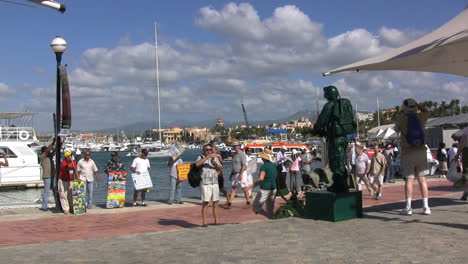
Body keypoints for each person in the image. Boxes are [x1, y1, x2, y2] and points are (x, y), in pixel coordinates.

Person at [394, 98, 431, 215]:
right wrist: (418, 105)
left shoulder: (401, 118)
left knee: (409, 180)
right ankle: (426, 207)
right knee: (422, 180)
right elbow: (427, 111)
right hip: (421, 151)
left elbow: (396, 130)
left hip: (408, 152)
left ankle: (408, 208)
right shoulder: (421, 117)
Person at [195, 143, 223, 226]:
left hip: (214, 182)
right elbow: (197, 164)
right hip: (205, 183)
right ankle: (205, 222)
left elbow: (220, 169)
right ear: (204, 150)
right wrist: (207, 157)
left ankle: (217, 221)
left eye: (210, 150)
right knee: (206, 203)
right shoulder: (200, 157)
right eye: (207, 150)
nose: (209, 151)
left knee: (216, 202)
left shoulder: (215, 158)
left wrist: (215, 164)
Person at [251, 151, 278, 219]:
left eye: (262, 156)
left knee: (256, 207)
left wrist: (251, 186)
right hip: (274, 188)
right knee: (270, 208)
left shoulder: (264, 166)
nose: (261, 157)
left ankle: (269, 216)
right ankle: (271, 218)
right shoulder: (274, 165)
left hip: (265, 189)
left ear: (265, 158)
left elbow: (261, 179)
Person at [224, 141, 250, 209]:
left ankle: (248, 202)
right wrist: (231, 174)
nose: (234, 147)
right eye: (233, 146)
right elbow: (234, 165)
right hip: (235, 173)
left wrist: (241, 174)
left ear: (239, 146)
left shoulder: (242, 154)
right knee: (233, 189)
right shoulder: (234, 155)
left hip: (241, 173)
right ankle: (229, 203)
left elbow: (244, 165)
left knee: (244, 188)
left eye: (236, 146)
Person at [39, 139, 55, 211]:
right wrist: (53, 142)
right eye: (46, 150)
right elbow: (48, 150)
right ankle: (44, 206)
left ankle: (57, 204)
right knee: (46, 192)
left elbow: (53, 151)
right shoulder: (42, 157)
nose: (48, 151)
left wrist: (58, 143)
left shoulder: (49, 157)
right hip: (47, 176)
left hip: (52, 176)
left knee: (55, 190)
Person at [453, 127, 468, 200]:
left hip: (467, 152)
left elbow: (462, 143)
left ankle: (466, 192)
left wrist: (457, 154)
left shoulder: (466, 130)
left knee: (466, 173)